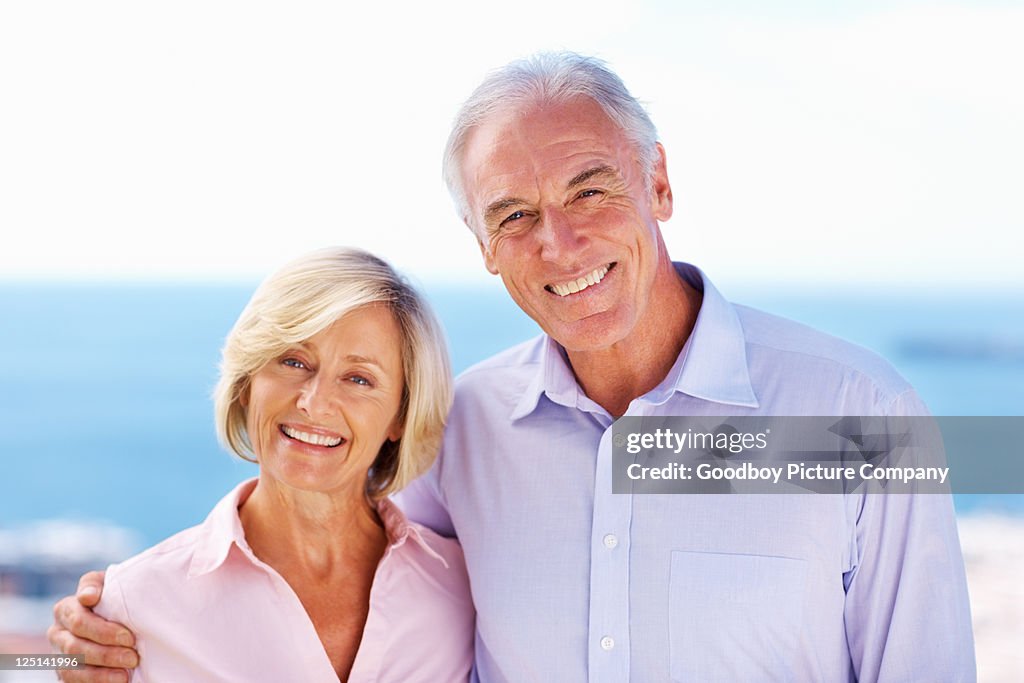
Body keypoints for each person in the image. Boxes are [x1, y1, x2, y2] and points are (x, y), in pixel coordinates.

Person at [50, 53, 974, 681]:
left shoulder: (863, 416)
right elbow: (328, 544)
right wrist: (121, 614)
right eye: (514, 214)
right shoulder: (464, 427)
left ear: (657, 180)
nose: (560, 242)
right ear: (482, 245)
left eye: (590, 188)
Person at [51, 247, 474, 682]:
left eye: (359, 379)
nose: (314, 403)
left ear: (401, 416)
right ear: (247, 384)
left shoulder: (461, 586)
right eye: (293, 361)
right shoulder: (134, 601)